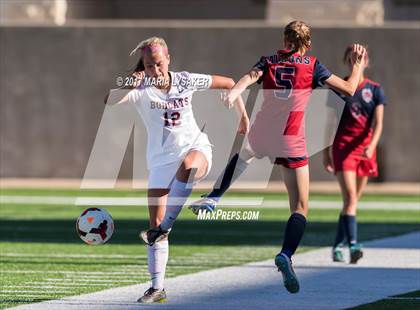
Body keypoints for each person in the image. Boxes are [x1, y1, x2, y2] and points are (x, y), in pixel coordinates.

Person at [189, 21, 367, 294]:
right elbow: (349, 89)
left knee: (245, 155)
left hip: (262, 130)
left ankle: (214, 196)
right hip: (290, 137)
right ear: (307, 43)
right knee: (300, 207)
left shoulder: (269, 60)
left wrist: (235, 92)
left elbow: (248, 78)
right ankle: (285, 254)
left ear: (284, 40)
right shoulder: (312, 64)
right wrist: (356, 66)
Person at [108, 36, 249, 303]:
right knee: (154, 225)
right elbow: (109, 100)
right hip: (160, 162)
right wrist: (130, 82)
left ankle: (166, 227)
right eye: (149, 66)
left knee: (187, 167)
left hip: (195, 151)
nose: (155, 70)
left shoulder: (185, 79)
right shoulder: (141, 87)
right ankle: (157, 287)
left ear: (168, 59)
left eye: (159, 64)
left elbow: (230, 82)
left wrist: (242, 115)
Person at [323, 46, 386, 264]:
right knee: (349, 198)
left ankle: (337, 245)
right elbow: (329, 124)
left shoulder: (375, 90)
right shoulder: (338, 88)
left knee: (352, 202)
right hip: (343, 148)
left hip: (365, 150)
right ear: (347, 60)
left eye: (362, 57)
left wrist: (372, 145)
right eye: (353, 58)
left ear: (367, 62)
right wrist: (325, 153)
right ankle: (353, 245)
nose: (357, 61)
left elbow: (378, 123)